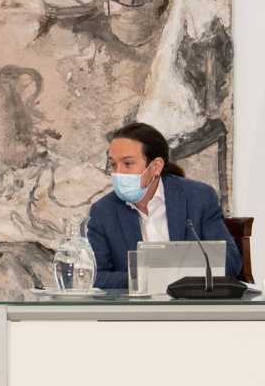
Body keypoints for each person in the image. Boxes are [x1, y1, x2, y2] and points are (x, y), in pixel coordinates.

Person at [87, 122, 241, 289]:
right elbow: (95, 276)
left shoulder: (198, 198)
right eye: (113, 165)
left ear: (156, 166)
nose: (118, 173)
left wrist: (174, 279)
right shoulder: (103, 212)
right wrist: (146, 278)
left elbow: (230, 262)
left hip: (190, 302)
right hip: (136, 305)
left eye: (128, 164)